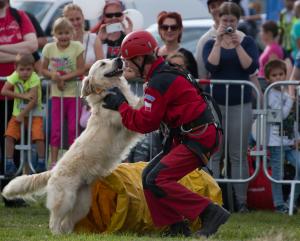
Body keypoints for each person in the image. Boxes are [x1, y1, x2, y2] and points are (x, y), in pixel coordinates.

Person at [102, 30, 230, 238]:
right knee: (148, 177)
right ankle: (176, 227)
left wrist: (121, 106)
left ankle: (210, 213)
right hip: (193, 135)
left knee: (158, 179)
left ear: (141, 58)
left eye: (129, 60)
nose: (127, 66)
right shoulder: (163, 75)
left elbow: (145, 123)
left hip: (198, 137)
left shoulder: (159, 82)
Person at [202, 1, 259, 213]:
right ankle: (215, 200)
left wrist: (237, 45)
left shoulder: (248, 41)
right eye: (224, 20)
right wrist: (218, 41)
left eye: (232, 20)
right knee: (215, 153)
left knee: (238, 154)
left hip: (240, 104)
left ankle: (241, 202)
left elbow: (250, 66)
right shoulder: (210, 42)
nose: (228, 24)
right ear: (218, 20)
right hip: (217, 106)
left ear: (238, 21)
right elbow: (211, 66)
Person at [0, 0, 38, 207]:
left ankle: (11, 194)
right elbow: (24, 53)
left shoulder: (19, 16)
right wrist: (16, 54)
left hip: (15, 98)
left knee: (12, 143)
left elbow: (32, 47)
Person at [41, 17, 85, 168]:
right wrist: (53, 76)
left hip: (73, 96)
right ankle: (53, 162)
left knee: (74, 129)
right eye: (60, 33)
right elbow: (43, 69)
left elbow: (81, 69)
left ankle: (73, 161)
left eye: (66, 33)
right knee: (55, 129)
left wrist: (62, 78)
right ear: (55, 34)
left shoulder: (77, 47)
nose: (63, 36)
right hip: (56, 96)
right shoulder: (49, 48)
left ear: (72, 33)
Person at [264, 59, 300, 213]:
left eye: (281, 74)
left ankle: (291, 201)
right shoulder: (270, 94)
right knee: (277, 175)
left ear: (285, 75)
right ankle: (279, 204)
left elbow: (293, 119)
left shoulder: (285, 92)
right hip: (275, 141)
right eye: (274, 75)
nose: (278, 77)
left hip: (290, 141)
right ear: (268, 78)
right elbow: (282, 114)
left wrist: (297, 137)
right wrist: (291, 99)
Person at [1, 54, 45, 175]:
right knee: (9, 136)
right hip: (17, 113)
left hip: (34, 113)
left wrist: (22, 114)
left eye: (28, 69)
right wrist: (23, 96)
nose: (25, 72)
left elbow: (34, 100)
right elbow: (4, 91)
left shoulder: (35, 78)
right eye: (22, 69)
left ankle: (41, 162)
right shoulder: (15, 76)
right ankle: (9, 162)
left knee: (38, 135)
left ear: (33, 68)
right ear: (16, 68)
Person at [63, 3, 104, 74]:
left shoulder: (93, 38)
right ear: (65, 21)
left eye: (78, 19)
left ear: (83, 18)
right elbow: (60, 66)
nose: (75, 22)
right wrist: (88, 66)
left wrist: (79, 67)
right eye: (71, 20)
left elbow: (102, 64)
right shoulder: (62, 41)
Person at [156, 11, 198, 78]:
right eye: (165, 27)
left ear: (180, 29)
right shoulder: (154, 54)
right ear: (160, 30)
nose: (169, 30)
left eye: (174, 27)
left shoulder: (187, 56)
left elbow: (193, 82)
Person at [195, 0, 227, 79]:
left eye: (220, 4)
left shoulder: (241, 36)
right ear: (209, 10)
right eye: (213, 6)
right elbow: (201, 74)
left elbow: (251, 74)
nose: (218, 9)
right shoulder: (205, 40)